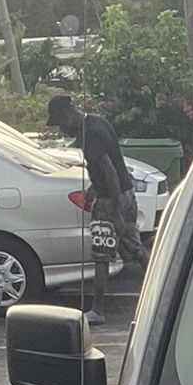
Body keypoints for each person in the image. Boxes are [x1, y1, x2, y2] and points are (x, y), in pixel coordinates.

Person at [46, 91, 143, 325]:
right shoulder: (98, 122)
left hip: (112, 200)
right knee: (134, 248)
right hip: (126, 194)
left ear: (68, 114)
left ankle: (97, 310)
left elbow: (109, 171)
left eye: (60, 123)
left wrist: (114, 212)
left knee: (101, 255)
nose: (62, 130)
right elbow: (111, 166)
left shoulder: (90, 137)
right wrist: (93, 188)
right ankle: (166, 292)